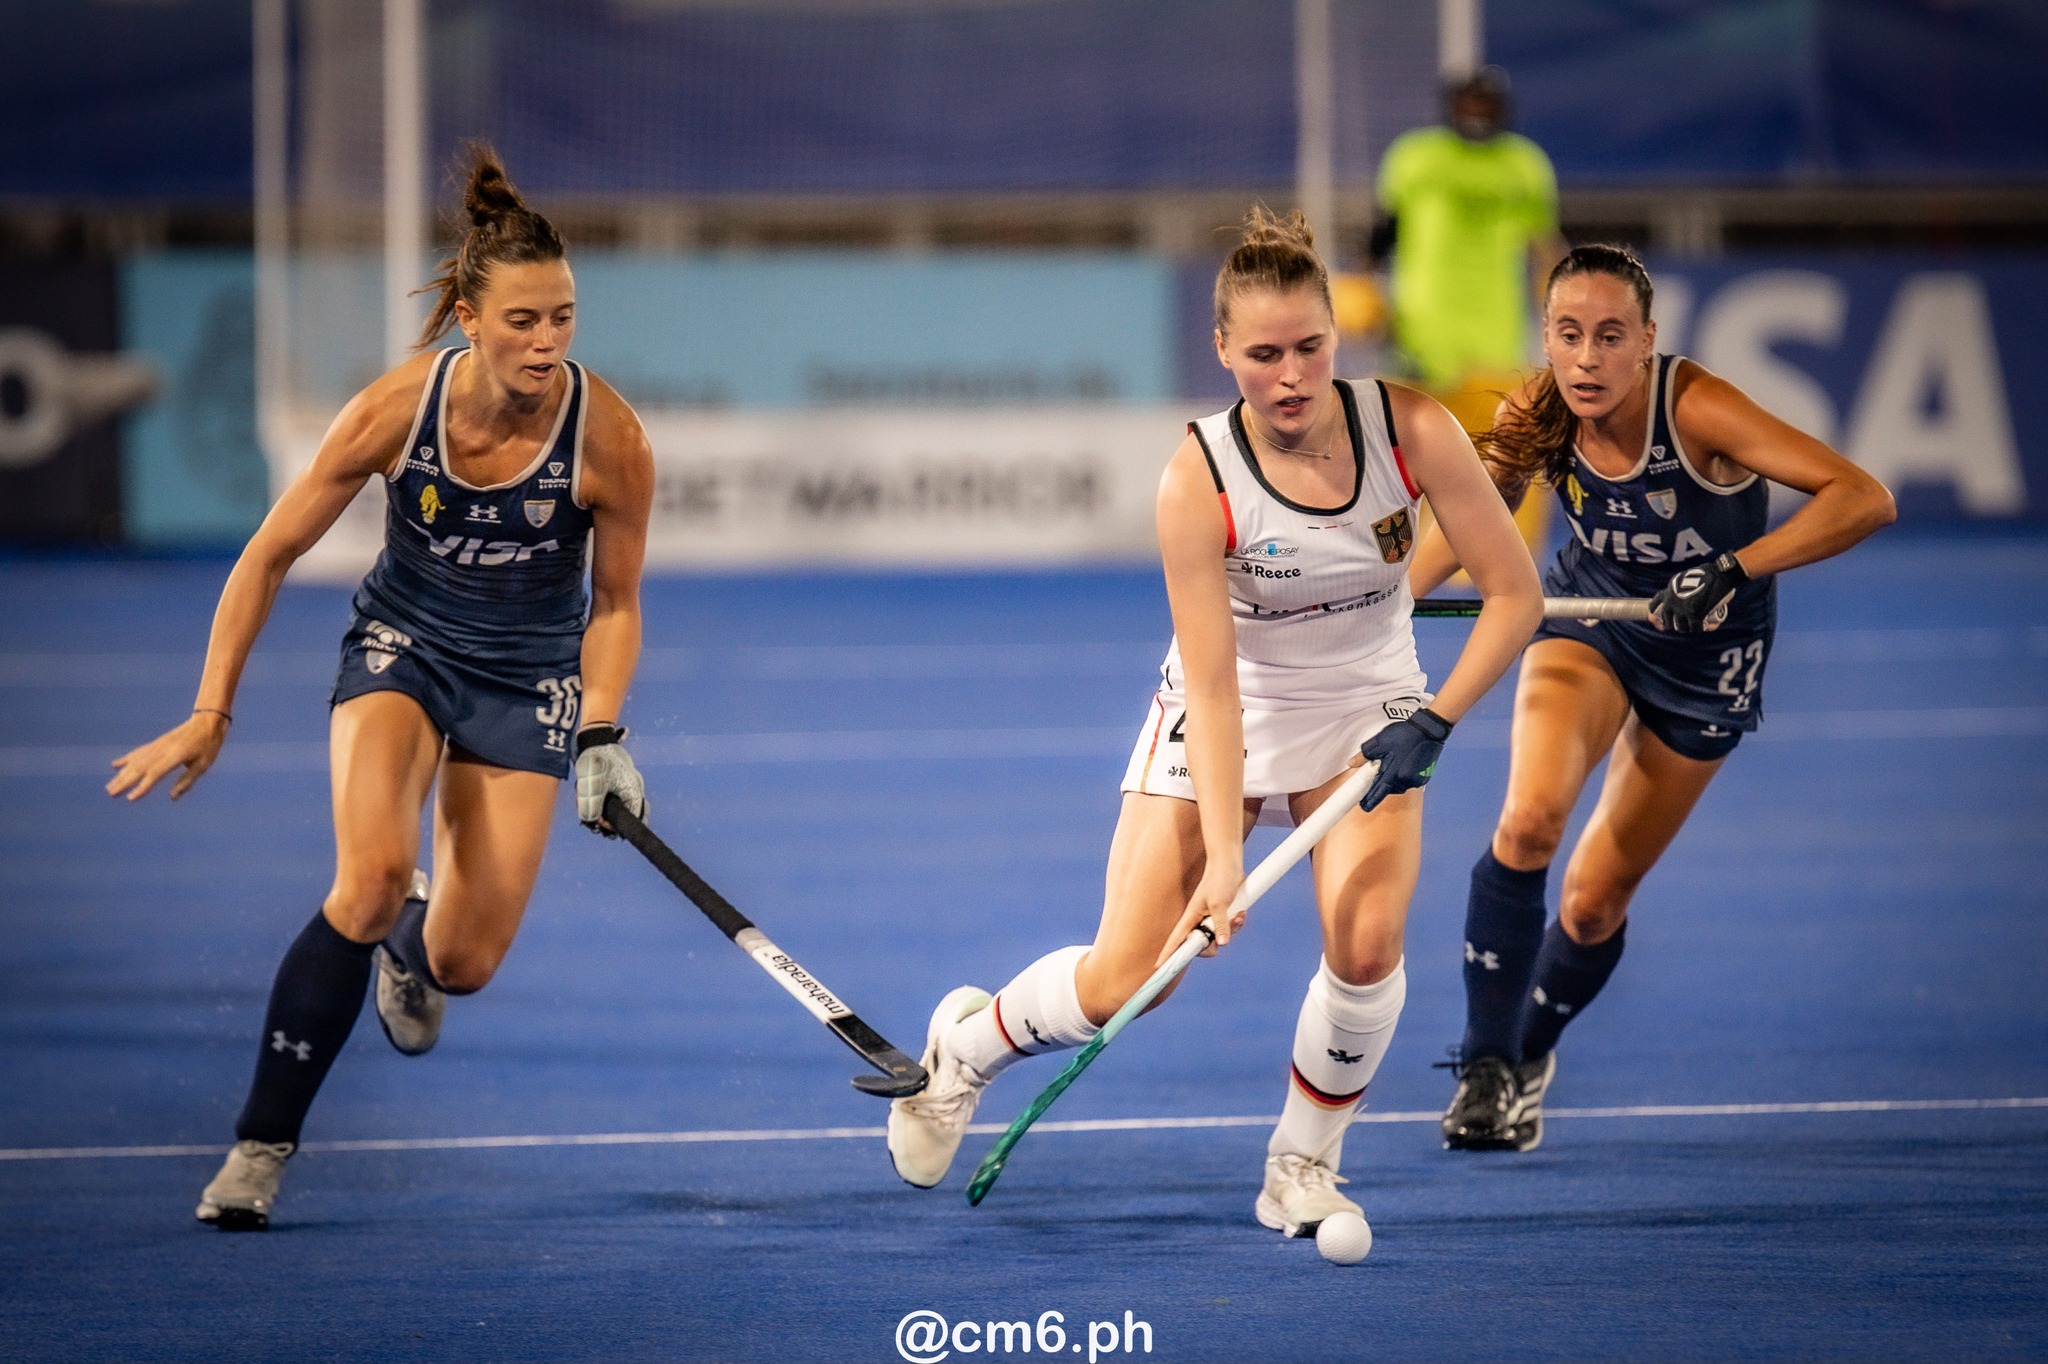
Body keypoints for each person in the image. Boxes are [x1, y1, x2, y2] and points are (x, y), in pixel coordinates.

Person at [884, 208, 1542, 1247]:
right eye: (1264, 354)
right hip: (1225, 708)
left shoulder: (1409, 430)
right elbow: (1217, 683)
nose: (1289, 376)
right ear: (1222, 349)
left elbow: (1513, 594)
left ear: (1339, 333)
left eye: (1310, 348)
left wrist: (1436, 717)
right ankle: (963, 1050)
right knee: (1124, 982)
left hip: (1369, 707)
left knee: (1367, 943)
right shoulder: (1196, 478)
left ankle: (1299, 1169)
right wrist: (1225, 861)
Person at [107, 147, 655, 1229]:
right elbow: (264, 555)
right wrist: (211, 707)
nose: (546, 342)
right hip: (404, 650)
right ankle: (260, 1147)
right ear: (467, 315)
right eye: (522, 321)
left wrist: (600, 732)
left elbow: (616, 604)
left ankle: (416, 931)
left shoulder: (612, 440)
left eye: (562, 317)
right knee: (361, 881)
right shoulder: (395, 411)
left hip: (526, 678)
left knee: (465, 961)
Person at [1411, 244, 1896, 1153]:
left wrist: (1731, 568)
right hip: (1592, 620)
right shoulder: (1539, 408)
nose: (1587, 359)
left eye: (1608, 337)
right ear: (1546, 339)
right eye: (1567, 336)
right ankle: (1482, 1068)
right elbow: (1472, 518)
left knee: (1593, 904)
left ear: (1646, 342)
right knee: (1527, 825)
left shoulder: (1700, 408)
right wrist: (1384, 605)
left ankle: (1528, 1055)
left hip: (1708, 656)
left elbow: (1862, 497)